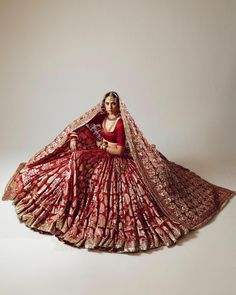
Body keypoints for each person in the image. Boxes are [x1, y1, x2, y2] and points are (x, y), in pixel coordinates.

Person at [2, 91, 235, 253]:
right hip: (102, 154)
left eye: (114, 104)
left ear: (119, 105)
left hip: (116, 160)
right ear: (103, 105)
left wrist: (104, 147)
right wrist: (74, 137)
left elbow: (120, 148)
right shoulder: (103, 117)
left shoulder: (121, 123)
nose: (110, 107)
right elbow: (84, 127)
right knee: (71, 166)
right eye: (107, 104)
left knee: (118, 198)